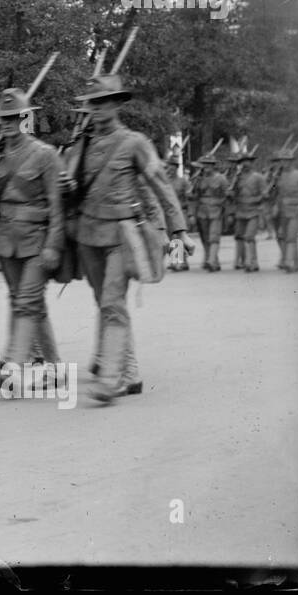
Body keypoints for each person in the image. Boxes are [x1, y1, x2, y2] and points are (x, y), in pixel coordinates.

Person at [61, 74, 194, 403]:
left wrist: (179, 229)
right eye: (92, 103)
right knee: (107, 305)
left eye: (104, 101)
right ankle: (131, 372)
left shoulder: (135, 142)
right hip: (88, 235)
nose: (97, 108)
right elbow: (69, 187)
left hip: (122, 234)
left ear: (118, 104)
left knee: (111, 303)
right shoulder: (82, 143)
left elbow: (160, 184)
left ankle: (112, 379)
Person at [0, 88, 64, 386]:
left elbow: (57, 206)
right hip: (6, 241)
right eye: (2, 119)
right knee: (27, 303)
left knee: (26, 301)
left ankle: (13, 366)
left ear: (25, 119)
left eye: (13, 118)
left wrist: (53, 245)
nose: (6, 124)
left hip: (38, 240)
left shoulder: (44, 155)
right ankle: (55, 368)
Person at [270, 147, 298, 273]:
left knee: (291, 237)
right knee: (285, 237)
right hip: (282, 211)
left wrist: (295, 202)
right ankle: (296, 263)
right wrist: (275, 205)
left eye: (287, 160)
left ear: (292, 161)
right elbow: (276, 194)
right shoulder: (278, 176)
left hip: (295, 210)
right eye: (282, 161)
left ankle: (289, 262)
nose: (284, 163)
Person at [231, 149, 268, 272]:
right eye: (243, 162)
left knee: (249, 237)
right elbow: (233, 194)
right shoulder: (237, 178)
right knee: (240, 237)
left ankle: (252, 263)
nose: (245, 164)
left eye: (248, 161)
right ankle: (242, 261)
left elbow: (265, 194)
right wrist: (231, 192)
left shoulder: (258, 177)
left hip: (254, 211)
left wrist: (257, 199)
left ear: (252, 163)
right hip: (240, 211)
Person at [191, 152, 229, 270]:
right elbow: (194, 197)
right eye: (204, 165)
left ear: (213, 166)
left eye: (209, 165)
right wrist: (191, 213)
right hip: (202, 211)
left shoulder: (221, 178)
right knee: (205, 237)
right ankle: (211, 259)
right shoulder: (198, 179)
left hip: (216, 210)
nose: (206, 167)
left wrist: (228, 213)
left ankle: (211, 261)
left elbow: (227, 196)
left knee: (214, 236)